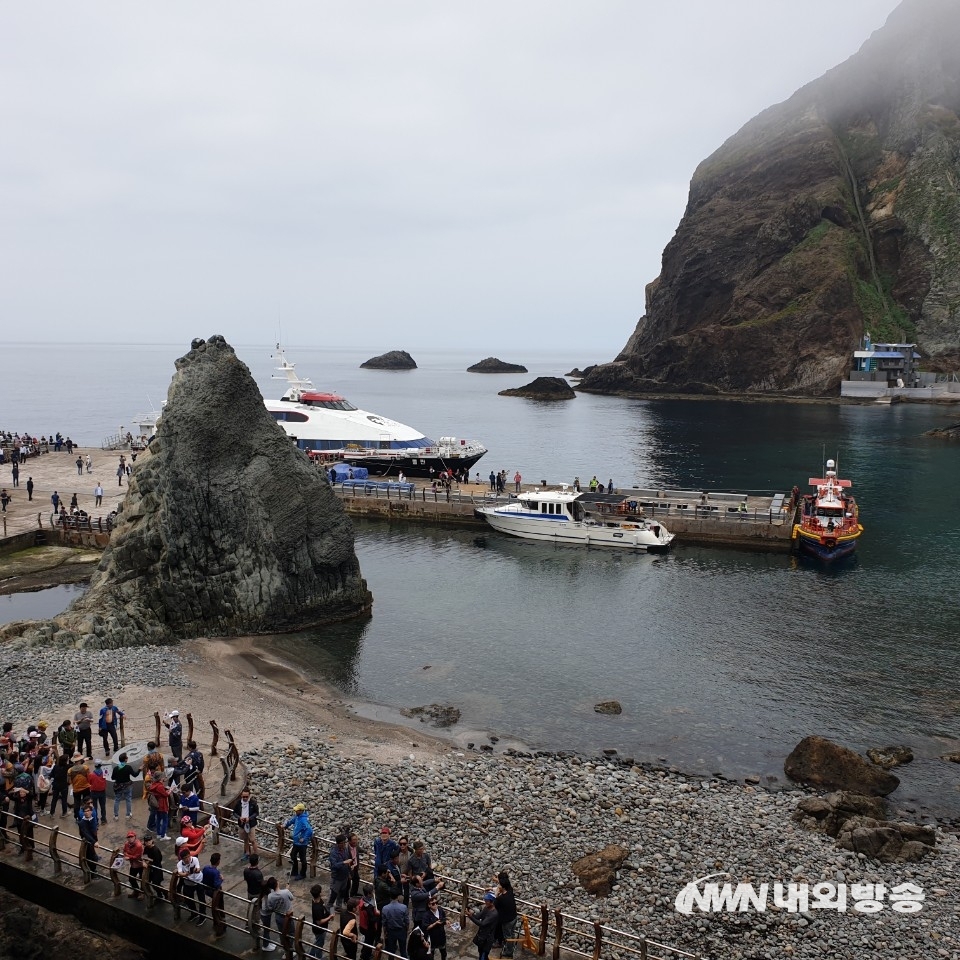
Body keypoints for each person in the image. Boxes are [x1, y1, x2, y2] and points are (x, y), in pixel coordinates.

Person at [175, 846, 206, 923]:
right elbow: (179, 873)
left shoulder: (195, 859)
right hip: (188, 883)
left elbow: (198, 868)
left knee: (201, 900)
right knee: (189, 899)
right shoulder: (180, 864)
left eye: (188, 856)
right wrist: (185, 874)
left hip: (198, 881)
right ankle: (194, 913)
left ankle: (203, 916)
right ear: (182, 859)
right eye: (185, 858)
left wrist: (196, 870)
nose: (188, 859)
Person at [284, 802, 313, 880]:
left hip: (302, 844)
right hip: (296, 842)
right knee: (293, 855)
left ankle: (303, 874)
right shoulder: (297, 817)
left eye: (297, 810)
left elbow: (309, 830)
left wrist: (304, 838)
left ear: (301, 811)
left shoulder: (303, 820)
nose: (295, 812)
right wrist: (286, 825)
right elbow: (291, 821)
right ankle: (294, 871)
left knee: (303, 859)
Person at [467, 894, 499, 960]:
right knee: (480, 952)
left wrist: (470, 917)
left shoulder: (494, 914)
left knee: (483, 956)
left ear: (492, 902)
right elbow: (478, 916)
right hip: (481, 936)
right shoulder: (486, 908)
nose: (485, 902)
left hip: (487, 939)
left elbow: (482, 924)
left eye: (487, 901)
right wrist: (472, 914)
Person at [494, 872, 518, 957]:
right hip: (514, 917)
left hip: (507, 920)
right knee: (512, 933)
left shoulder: (501, 898)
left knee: (508, 936)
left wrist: (496, 894)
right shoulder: (510, 890)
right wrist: (498, 881)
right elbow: (506, 884)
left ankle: (508, 951)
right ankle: (511, 946)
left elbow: (495, 904)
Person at [381, 889, 409, 958]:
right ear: (398, 897)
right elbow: (407, 921)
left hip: (391, 931)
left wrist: (385, 933)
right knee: (403, 951)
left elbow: (384, 923)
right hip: (401, 931)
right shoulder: (403, 907)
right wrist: (406, 930)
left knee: (391, 952)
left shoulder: (385, 908)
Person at [233, 786, 260, 860]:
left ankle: (256, 854)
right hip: (242, 824)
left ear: (249, 796)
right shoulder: (238, 803)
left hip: (251, 824)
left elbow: (256, 813)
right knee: (245, 839)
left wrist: (249, 818)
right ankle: (247, 853)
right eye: (244, 796)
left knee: (252, 840)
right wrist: (239, 817)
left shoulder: (253, 803)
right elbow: (234, 812)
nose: (245, 798)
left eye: (246, 797)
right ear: (241, 795)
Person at [267, 877, 295, 945]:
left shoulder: (270, 896)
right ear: (277, 883)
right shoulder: (286, 892)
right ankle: (289, 949)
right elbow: (291, 898)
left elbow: (270, 907)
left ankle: (284, 947)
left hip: (278, 917)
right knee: (291, 932)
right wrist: (287, 890)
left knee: (282, 932)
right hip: (288, 916)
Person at [419, 894, 448, 960]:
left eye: (436, 903)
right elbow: (426, 927)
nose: (435, 905)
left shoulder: (440, 910)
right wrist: (435, 923)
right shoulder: (426, 915)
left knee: (443, 952)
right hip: (432, 937)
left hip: (441, 935)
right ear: (429, 905)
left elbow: (444, 918)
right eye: (433, 904)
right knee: (431, 954)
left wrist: (446, 922)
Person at [328, 833, 353, 909]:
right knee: (334, 892)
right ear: (338, 844)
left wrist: (349, 871)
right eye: (342, 843)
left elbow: (348, 860)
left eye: (345, 843)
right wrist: (343, 862)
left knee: (342, 892)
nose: (344, 845)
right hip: (337, 877)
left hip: (345, 876)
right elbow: (334, 866)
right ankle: (329, 906)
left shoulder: (345, 850)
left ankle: (338, 906)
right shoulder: (333, 853)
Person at [308, 883, 332, 959]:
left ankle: (311, 954)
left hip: (319, 928)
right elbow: (319, 922)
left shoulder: (316, 900)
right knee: (320, 945)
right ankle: (318, 957)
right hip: (320, 929)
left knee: (318, 941)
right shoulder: (317, 908)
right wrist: (330, 917)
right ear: (320, 893)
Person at [357, 884, 380, 960]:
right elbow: (372, 919)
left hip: (363, 925)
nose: (373, 892)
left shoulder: (362, 900)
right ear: (369, 894)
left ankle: (364, 953)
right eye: (372, 892)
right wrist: (377, 915)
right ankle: (366, 956)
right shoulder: (369, 907)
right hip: (369, 928)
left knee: (366, 941)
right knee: (369, 942)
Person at [143, 833, 167, 900]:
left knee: (156, 884)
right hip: (151, 869)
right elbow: (144, 855)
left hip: (157, 869)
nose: (148, 842)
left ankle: (164, 892)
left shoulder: (155, 850)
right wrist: (144, 861)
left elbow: (158, 860)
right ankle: (159, 895)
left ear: (151, 840)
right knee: (151, 883)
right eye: (146, 841)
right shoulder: (146, 848)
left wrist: (149, 861)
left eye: (149, 840)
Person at [146, 774, 171, 840]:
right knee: (165, 820)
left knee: (158, 819)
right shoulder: (160, 786)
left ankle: (159, 834)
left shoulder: (154, 785)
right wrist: (170, 791)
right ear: (160, 778)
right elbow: (165, 795)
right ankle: (163, 835)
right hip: (162, 804)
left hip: (156, 804)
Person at [68, 752, 91, 822]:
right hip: (86, 787)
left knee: (77, 803)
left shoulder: (70, 770)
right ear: (80, 759)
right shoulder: (85, 768)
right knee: (87, 802)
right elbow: (89, 778)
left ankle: (77, 817)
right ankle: (88, 814)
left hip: (76, 789)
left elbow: (69, 782)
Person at [112, 752, 135, 819]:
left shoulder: (116, 768)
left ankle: (116, 815)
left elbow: (112, 778)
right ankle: (128, 815)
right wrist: (139, 769)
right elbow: (135, 775)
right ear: (125, 759)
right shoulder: (128, 767)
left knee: (117, 800)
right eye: (127, 757)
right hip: (127, 786)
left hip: (118, 786)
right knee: (128, 799)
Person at [78, 802, 100, 873]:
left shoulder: (92, 819)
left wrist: (95, 840)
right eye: (85, 811)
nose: (87, 813)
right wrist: (94, 842)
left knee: (93, 857)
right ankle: (92, 872)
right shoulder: (82, 823)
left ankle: (92, 870)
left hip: (92, 842)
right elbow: (85, 834)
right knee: (90, 857)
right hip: (87, 842)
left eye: (88, 811)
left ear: (91, 811)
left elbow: (94, 831)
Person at [123, 830, 145, 899]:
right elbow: (124, 851)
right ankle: (136, 891)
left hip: (140, 864)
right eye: (128, 837)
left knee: (142, 879)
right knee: (131, 879)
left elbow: (137, 856)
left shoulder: (138, 845)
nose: (130, 838)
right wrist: (128, 855)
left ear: (135, 837)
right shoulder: (127, 844)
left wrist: (129, 856)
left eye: (131, 837)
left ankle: (142, 892)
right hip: (133, 865)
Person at [260, 876, 279, 952]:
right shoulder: (267, 897)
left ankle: (268, 942)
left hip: (265, 914)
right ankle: (265, 945)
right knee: (266, 929)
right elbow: (269, 907)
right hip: (265, 915)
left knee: (267, 929)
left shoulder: (264, 894)